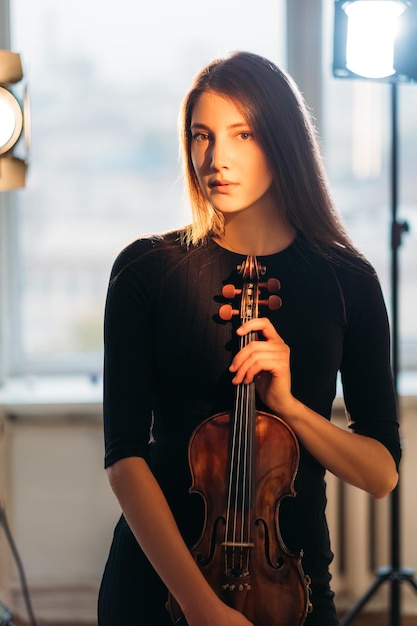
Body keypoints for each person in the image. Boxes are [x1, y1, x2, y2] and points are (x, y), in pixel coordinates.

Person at [97, 51, 401, 626]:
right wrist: (201, 607)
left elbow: (381, 472)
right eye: (201, 136)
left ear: (283, 140)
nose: (216, 158)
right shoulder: (145, 271)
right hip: (158, 592)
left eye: (243, 133)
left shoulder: (347, 281)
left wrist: (290, 409)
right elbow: (124, 458)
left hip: (294, 587)